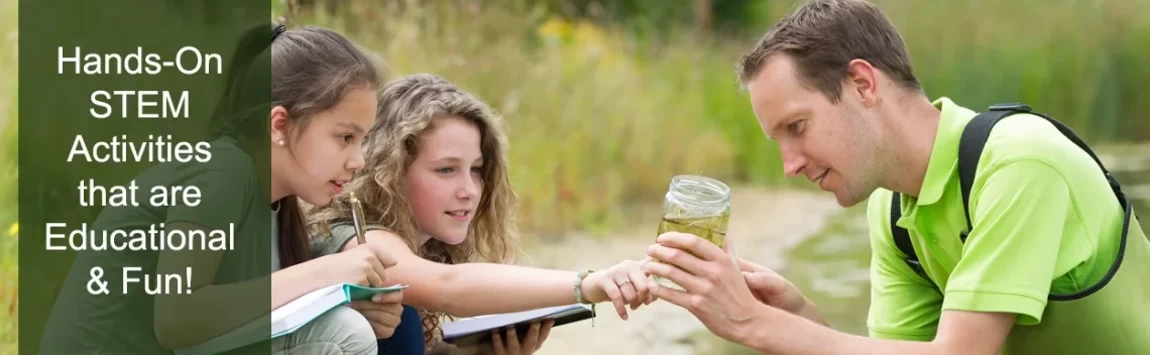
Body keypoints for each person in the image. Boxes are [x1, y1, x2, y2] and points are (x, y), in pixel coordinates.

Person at [642, 0, 1150, 354]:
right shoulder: (894, 213)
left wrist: (757, 325)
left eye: (797, 127)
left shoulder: (1020, 163)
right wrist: (798, 316)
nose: (790, 164)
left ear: (863, 83)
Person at [40, 24, 407, 355]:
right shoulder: (222, 171)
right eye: (345, 137)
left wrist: (341, 299)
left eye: (362, 139)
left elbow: (239, 315)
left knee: (379, 328)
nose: (358, 160)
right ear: (279, 124)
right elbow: (177, 318)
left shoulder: (277, 200)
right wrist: (326, 272)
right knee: (342, 333)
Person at [307, 73, 655, 354]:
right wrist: (588, 285)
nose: (469, 190)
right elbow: (447, 287)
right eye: (446, 170)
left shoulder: (418, 244)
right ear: (391, 171)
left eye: (475, 169)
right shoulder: (354, 238)